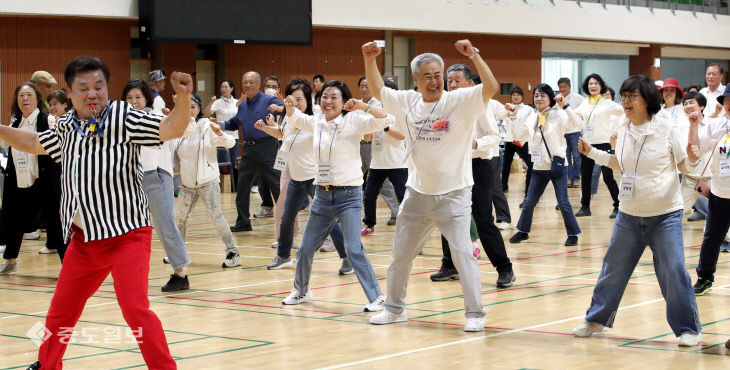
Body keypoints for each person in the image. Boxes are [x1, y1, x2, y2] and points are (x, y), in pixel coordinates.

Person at [3, 56, 192, 370]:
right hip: (84, 240)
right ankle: (48, 365)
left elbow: (171, 128)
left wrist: (183, 99)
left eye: (99, 86)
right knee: (60, 311)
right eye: (84, 88)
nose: (93, 93)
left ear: (107, 87)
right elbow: (36, 142)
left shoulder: (124, 117)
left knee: (135, 310)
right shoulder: (65, 126)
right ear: (69, 93)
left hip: (127, 235)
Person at [363, 39, 499, 332]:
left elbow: (491, 87)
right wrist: (369, 58)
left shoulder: (458, 101)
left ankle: (475, 314)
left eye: (438, 74)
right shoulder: (407, 101)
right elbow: (377, 91)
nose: (435, 80)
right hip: (417, 194)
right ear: (416, 80)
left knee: (463, 255)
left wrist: (474, 54)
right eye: (427, 75)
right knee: (400, 254)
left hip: (454, 194)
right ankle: (394, 308)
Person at [573, 75, 702, 347]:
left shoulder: (667, 127)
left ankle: (688, 329)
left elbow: (685, 166)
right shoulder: (623, 126)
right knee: (613, 268)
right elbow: (621, 163)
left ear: (647, 99)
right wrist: (592, 153)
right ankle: (596, 319)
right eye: (623, 96)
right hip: (629, 214)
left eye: (632, 97)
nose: (626, 102)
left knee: (674, 269)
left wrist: (693, 158)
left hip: (665, 214)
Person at [279, 80, 393, 312]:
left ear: (344, 101)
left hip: (348, 196)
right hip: (322, 196)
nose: (328, 101)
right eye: (325, 97)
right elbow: (297, 118)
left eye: (334, 97)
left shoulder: (354, 120)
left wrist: (363, 105)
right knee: (305, 249)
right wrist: (290, 106)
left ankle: (377, 296)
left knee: (353, 248)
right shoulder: (318, 121)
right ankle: (301, 291)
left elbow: (385, 118)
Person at [430, 64, 515, 287]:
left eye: (457, 80)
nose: (453, 84)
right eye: (450, 80)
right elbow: (443, 130)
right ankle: (449, 265)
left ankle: (504, 268)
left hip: (480, 165)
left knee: (482, 218)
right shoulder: (445, 105)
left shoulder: (478, 104)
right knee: (448, 216)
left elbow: (494, 135)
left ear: (470, 83)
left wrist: (476, 143)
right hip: (454, 166)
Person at [256, 78, 351, 273]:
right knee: (286, 217)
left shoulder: (316, 117)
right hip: (296, 178)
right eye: (292, 99)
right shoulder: (290, 118)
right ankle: (283, 256)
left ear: (308, 99)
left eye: (299, 99)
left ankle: (347, 258)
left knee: (328, 219)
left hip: (314, 178)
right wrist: (266, 129)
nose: (295, 103)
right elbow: (283, 134)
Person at [123, 79, 191, 292]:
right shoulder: (123, 121)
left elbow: (185, 130)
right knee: (130, 228)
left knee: (165, 225)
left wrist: (172, 114)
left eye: (138, 97)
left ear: (146, 99)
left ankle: (181, 274)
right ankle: (128, 272)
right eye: (129, 98)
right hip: (132, 179)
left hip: (157, 175)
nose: (134, 102)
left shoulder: (156, 117)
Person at [0, 82, 64, 274]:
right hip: (18, 181)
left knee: (56, 222)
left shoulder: (49, 121)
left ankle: (69, 266)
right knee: (13, 220)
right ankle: (10, 261)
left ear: (37, 99)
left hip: (45, 182)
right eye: (21, 95)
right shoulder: (14, 124)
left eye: (29, 95)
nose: (25, 99)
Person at [506, 84, 581, 246]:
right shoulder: (533, 117)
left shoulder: (559, 115)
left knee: (563, 202)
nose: (538, 99)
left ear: (550, 98)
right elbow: (519, 137)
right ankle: (523, 231)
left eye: (542, 96)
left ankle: (573, 234)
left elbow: (577, 125)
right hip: (539, 167)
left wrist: (565, 106)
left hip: (557, 165)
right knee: (529, 202)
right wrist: (512, 118)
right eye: (536, 96)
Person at [223, 71, 284, 232]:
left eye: (251, 82)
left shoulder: (269, 100)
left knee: (276, 184)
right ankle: (243, 222)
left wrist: (282, 106)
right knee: (242, 185)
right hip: (249, 149)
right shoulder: (243, 104)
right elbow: (234, 123)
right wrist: (219, 124)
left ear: (258, 84)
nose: (247, 85)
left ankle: (286, 222)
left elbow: (286, 112)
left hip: (267, 146)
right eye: (245, 82)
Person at [690, 83, 730, 295]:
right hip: (719, 193)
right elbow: (698, 148)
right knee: (711, 238)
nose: (729, 104)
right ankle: (704, 278)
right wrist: (694, 126)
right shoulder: (716, 126)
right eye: (727, 101)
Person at [569, 73, 623, 218]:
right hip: (586, 143)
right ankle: (585, 206)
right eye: (591, 83)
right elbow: (573, 116)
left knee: (607, 176)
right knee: (585, 176)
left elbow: (624, 112)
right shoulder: (584, 103)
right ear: (587, 86)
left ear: (601, 86)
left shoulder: (607, 102)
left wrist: (619, 131)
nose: (593, 86)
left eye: (596, 83)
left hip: (603, 143)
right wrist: (562, 108)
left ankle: (618, 206)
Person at [359, 75, 404, 233]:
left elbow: (402, 135)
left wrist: (385, 127)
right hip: (377, 162)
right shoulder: (376, 111)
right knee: (369, 195)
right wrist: (368, 130)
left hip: (398, 162)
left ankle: (408, 227)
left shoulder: (400, 112)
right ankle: (369, 224)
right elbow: (368, 137)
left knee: (403, 196)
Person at [204, 79, 240, 191]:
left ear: (231, 88)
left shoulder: (237, 102)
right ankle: (217, 187)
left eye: (226, 87)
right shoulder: (218, 102)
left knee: (232, 163)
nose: (223, 89)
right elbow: (206, 114)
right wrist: (211, 103)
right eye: (222, 87)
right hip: (220, 137)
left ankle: (233, 188)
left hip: (234, 136)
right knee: (221, 163)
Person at [558, 77, 586, 188]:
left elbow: (584, 112)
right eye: (560, 87)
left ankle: (576, 178)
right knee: (566, 156)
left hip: (575, 131)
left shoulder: (578, 98)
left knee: (577, 156)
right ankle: (569, 178)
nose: (562, 89)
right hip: (563, 131)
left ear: (569, 86)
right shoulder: (557, 99)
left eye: (564, 86)